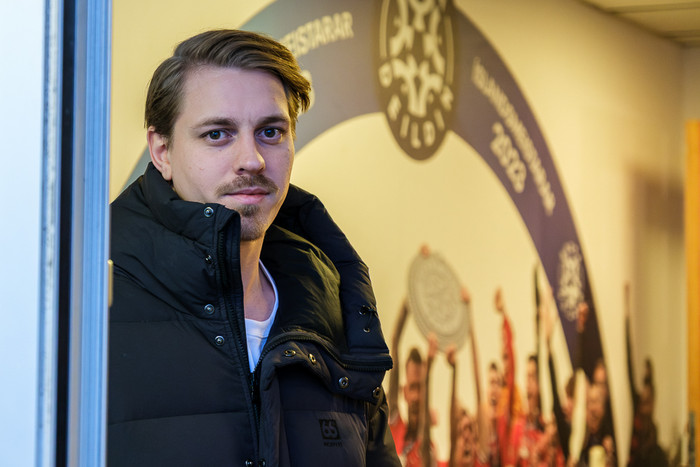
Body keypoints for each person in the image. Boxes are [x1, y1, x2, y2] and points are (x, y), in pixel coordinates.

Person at [108, 29, 400, 466]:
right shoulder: (92, 302)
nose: (252, 159)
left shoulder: (334, 303)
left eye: (270, 131)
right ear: (162, 151)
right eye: (217, 134)